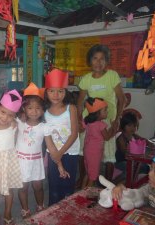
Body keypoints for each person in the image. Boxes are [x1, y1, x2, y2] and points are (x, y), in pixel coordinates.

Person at [16, 82, 70, 218]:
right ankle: (25, 209)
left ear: (43, 110)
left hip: (36, 162)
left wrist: (60, 166)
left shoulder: (44, 127)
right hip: (20, 161)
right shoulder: (18, 122)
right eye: (30, 108)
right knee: (23, 188)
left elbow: (51, 148)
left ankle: (40, 206)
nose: (34, 111)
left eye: (38, 108)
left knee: (38, 187)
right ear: (24, 109)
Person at [77, 44, 125, 181]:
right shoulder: (86, 79)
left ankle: (107, 185)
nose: (98, 62)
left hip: (107, 118)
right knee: (83, 151)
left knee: (109, 155)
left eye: (102, 59)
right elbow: (80, 103)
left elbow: (122, 99)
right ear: (90, 60)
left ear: (106, 61)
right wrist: (79, 121)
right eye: (95, 58)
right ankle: (82, 179)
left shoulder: (112, 76)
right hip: (89, 120)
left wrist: (117, 119)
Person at [44, 68, 80, 205]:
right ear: (46, 92)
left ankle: (66, 213)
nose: (56, 95)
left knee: (67, 185)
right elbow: (47, 136)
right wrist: (56, 155)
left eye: (60, 91)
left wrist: (61, 153)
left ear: (66, 92)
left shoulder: (71, 108)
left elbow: (74, 133)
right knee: (54, 185)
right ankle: (52, 211)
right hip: (53, 152)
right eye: (51, 90)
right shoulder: (45, 112)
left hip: (70, 152)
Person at [0, 89, 23, 225]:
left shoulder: (15, 125)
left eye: (10, 115)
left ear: (15, 116)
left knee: (9, 190)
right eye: (3, 112)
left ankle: (8, 213)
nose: (5, 117)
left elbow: (14, 142)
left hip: (8, 161)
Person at [83, 97, 117, 187]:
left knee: (88, 174)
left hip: (87, 150)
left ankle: (80, 195)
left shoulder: (88, 122)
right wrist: (114, 128)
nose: (107, 112)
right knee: (93, 177)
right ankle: (86, 198)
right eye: (105, 110)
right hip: (95, 153)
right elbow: (107, 137)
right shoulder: (100, 125)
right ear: (97, 113)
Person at [115, 111, 152, 179]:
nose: (132, 128)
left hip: (133, 160)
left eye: (134, 126)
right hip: (121, 162)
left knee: (146, 167)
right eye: (129, 125)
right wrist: (140, 155)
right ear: (123, 125)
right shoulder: (121, 137)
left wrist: (149, 143)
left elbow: (144, 140)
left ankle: (135, 179)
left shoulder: (134, 135)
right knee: (132, 168)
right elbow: (125, 152)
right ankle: (119, 181)